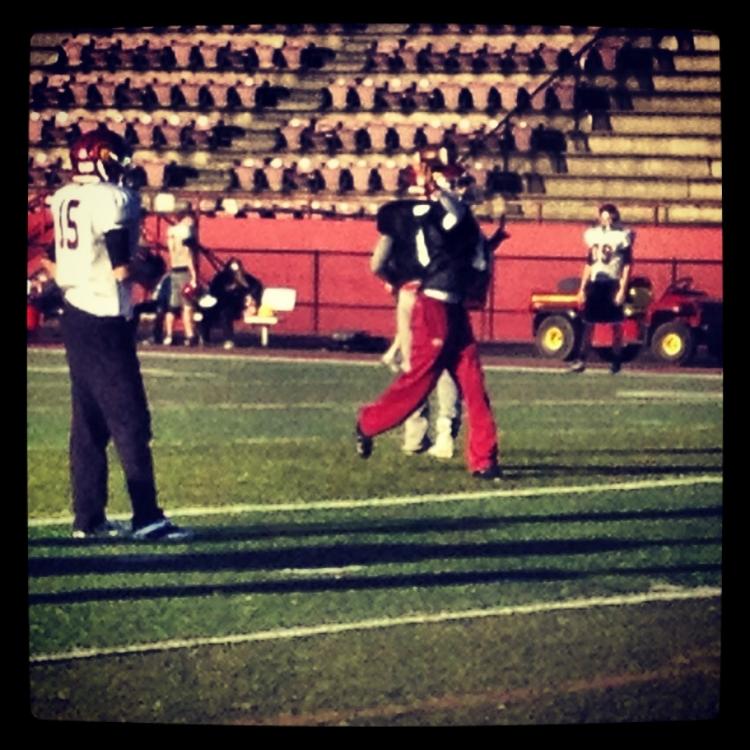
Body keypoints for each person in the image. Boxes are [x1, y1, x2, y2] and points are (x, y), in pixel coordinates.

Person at [48, 129, 190, 541]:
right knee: (130, 420)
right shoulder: (113, 198)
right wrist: (150, 270)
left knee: (88, 422)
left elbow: (56, 259)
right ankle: (147, 517)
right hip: (105, 316)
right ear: (103, 158)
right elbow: (121, 269)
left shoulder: (64, 197)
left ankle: (88, 518)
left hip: (74, 313)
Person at [355, 148, 504, 479]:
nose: (464, 186)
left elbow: (468, 242)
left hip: (454, 307)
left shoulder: (453, 213)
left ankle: (484, 458)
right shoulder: (440, 212)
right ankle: (368, 422)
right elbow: (452, 217)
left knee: (473, 383)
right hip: (433, 304)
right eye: (457, 181)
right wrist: (436, 186)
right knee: (420, 381)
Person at [568, 203, 634, 374]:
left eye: (609, 216)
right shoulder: (593, 235)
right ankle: (582, 360)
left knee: (616, 325)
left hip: (613, 282)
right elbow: (589, 263)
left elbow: (627, 265)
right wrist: (582, 288)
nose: (607, 219)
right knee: (588, 324)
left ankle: (616, 360)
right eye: (604, 216)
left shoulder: (622, 236)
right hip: (596, 282)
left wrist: (622, 289)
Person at [199, 258, 263, 349]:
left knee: (226, 313)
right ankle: (204, 338)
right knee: (205, 312)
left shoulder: (247, 280)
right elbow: (214, 291)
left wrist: (251, 299)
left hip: (236, 306)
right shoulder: (220, 278)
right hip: (219, 305)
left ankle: (228, 339)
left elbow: (256, 286)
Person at [163, 212, 200, 346]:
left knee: (173, 305)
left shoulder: (171, 234)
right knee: (187, 305)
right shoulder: (185, 232)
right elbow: (188, 255)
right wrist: (194, 276)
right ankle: (189, 335)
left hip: (174, 269)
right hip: (184, 270)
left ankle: (168, 335)